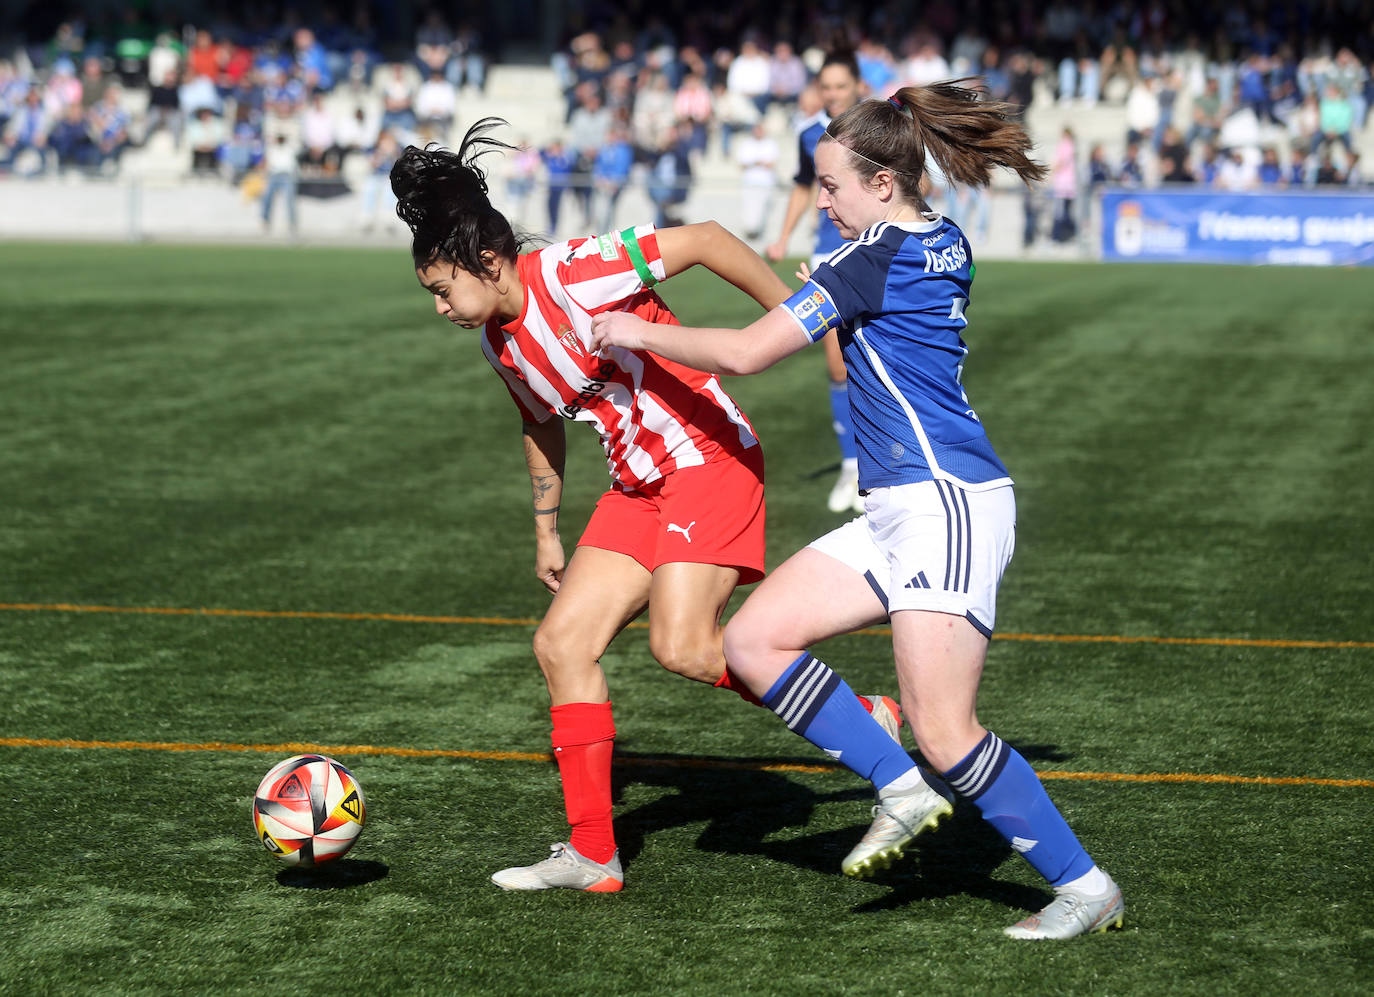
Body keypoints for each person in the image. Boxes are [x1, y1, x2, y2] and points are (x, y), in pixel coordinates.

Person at [590, 84, 1124, 941]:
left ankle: (1085, 885)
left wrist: (637, 332)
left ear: (882, 184)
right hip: (905, 504)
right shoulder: (944, 239)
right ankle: (900, 788)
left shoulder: (860, 260)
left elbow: (745, 354)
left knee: (946, 730)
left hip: (943, 502)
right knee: (752, 640)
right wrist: (828, 295)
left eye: (832, 186)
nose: (822, 202)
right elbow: (852, 358)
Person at [389, 118, 903, 894]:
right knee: (562, 644)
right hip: (639, 488)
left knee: (687, 646)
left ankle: (866, 723)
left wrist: (811, 317)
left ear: (488, 262)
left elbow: (704, 238)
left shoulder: (576, 271)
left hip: (709, 460)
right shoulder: (500, 343)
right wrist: (545, 527)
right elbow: (537, 421)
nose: (439, 309)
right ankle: (594, 853)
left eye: (442, 290)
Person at [765, 50, 866, 515]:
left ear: (857, 86)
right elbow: (805, 186)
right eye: (826, 86)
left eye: (841, 86)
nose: (833, 94)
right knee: (838, 364)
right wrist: (784, 235)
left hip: (875, 249)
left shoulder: (875, 127)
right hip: (830, 255)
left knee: (880, 356)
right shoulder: (810, 134)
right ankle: (852, 467)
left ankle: (881, 461)